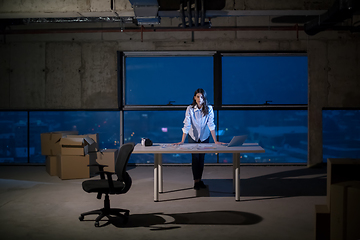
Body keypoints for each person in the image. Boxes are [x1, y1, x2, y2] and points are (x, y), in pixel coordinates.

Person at [174, 88, 224, 190]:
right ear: (194, 98)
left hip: (205, 136)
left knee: (201, 159)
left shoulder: (209, 108)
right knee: (195, 159)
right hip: (193, 137)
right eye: (198, 96)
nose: (200, 99)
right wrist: (182, 141)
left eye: (202, 97)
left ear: (204, 98)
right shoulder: (190, 109)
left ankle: (199, 180)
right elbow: (187, 125)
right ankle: (196, 182)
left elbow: (211, 125)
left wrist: (215, 141)